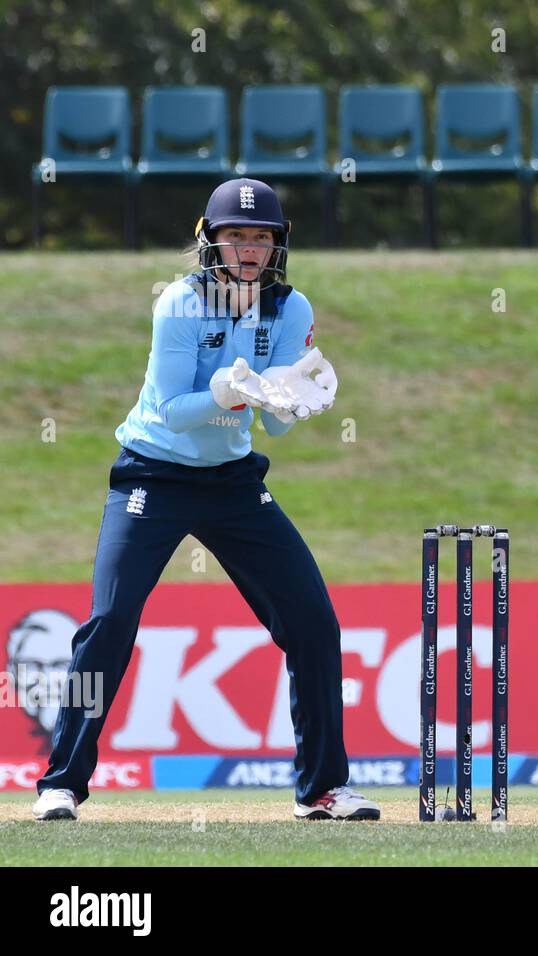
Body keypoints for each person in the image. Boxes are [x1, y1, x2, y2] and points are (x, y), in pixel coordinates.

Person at [32, 178, 378, 822]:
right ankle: (61, 782)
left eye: (261, 236)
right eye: (236, 236)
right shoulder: (179, 304)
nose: (249, 248)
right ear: (210, 242)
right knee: (109, 623)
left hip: (233, 483)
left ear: (278, 245)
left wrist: (294, 401)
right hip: (151, 476)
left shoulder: (291, 309)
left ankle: (324, 788)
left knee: (313, 624)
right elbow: (172, 410)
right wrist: (229, 392)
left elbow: (272, 423)